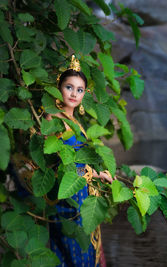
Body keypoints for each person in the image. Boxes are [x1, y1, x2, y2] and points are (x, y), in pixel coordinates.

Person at [46, 55, 112, 267]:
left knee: (82, 251)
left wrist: (100, 173)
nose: (74, 94)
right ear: (59, 88)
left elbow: (81, 158)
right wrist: (97, 174)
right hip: (67, 195)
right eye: (69, 87)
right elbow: (63, 162)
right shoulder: (53, 119)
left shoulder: (76, 122)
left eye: (80, 90)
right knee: (72, 252)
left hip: (82, 194)